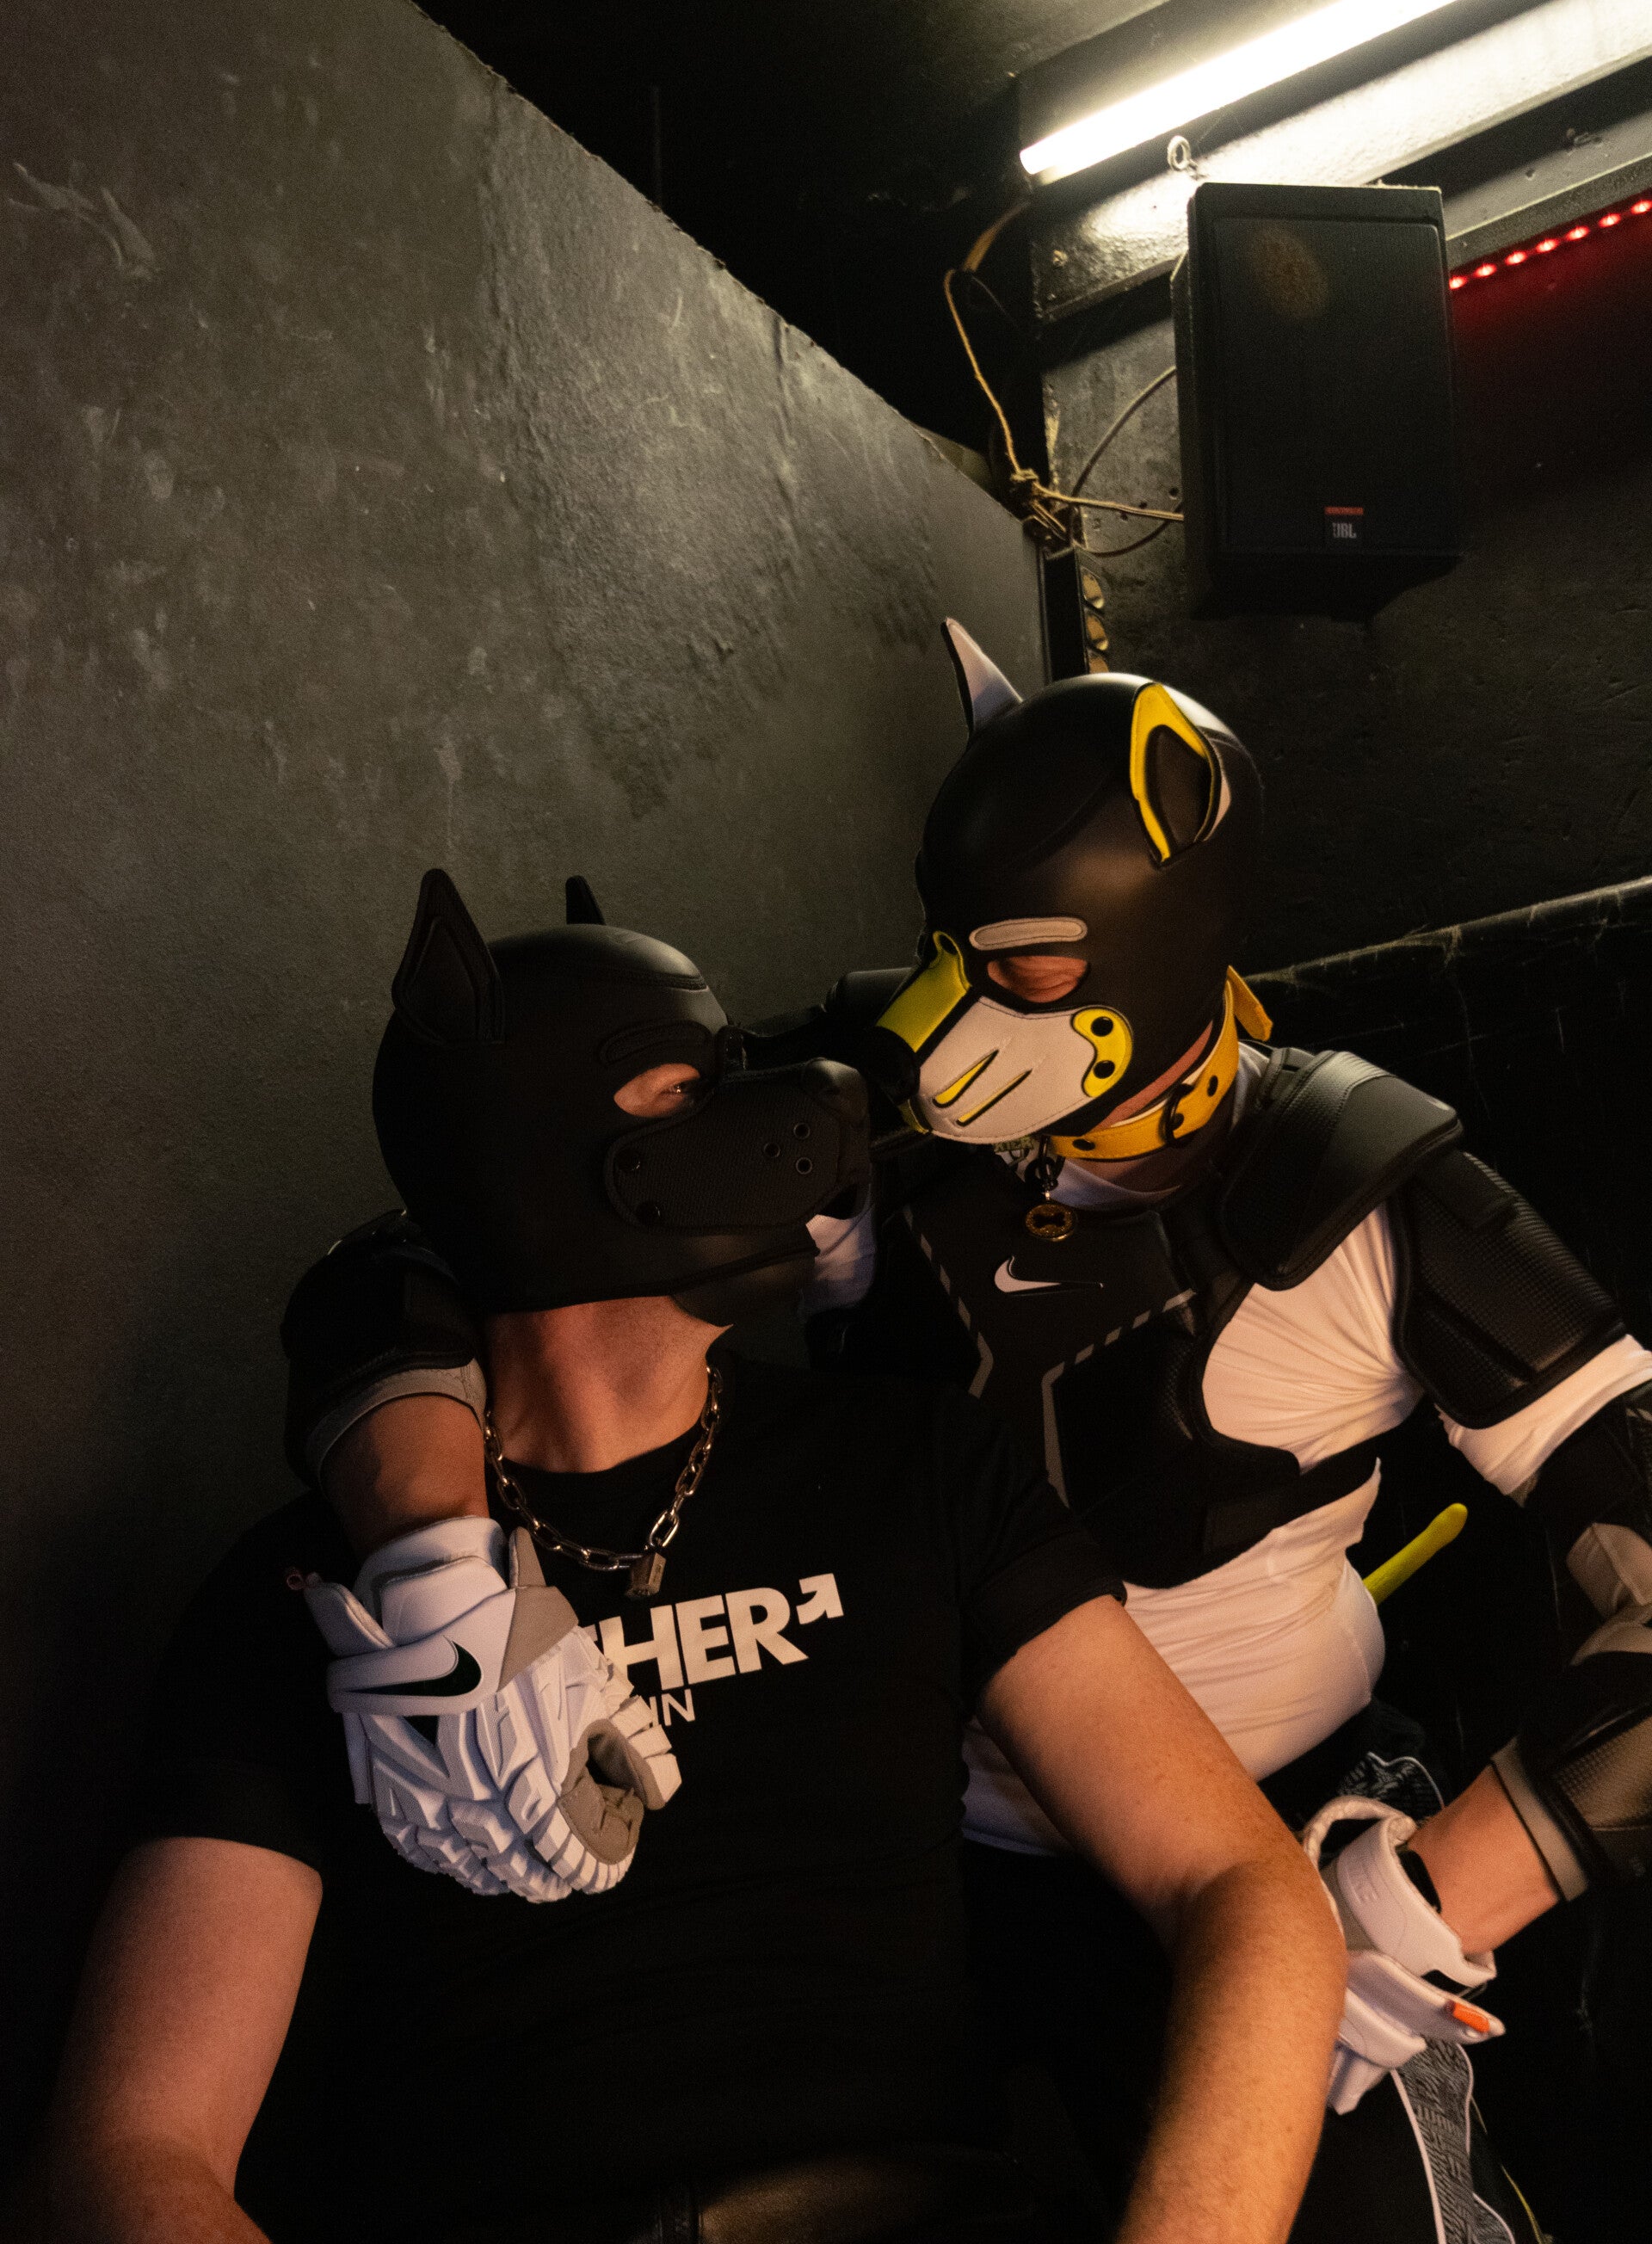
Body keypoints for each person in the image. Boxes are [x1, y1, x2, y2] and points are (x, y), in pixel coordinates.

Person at [271, 633, 1652, 2239]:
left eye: (1029, 964)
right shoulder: (887, 1119)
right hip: (917, 1848)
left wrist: (1428, 1893)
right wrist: (436, 1562)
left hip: (1277, 1828)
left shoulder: (1375, 1200)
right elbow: (483, 1209)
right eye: (948, 946)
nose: (950, 1015)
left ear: (1164, 935)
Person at [46, 871, 1346, 2244]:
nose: (769, 1115)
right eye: (689, 1086)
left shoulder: (912, 1465)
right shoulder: (306, 1593)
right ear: (532, 1147)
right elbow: (130, 2153)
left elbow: (1243, 1886)